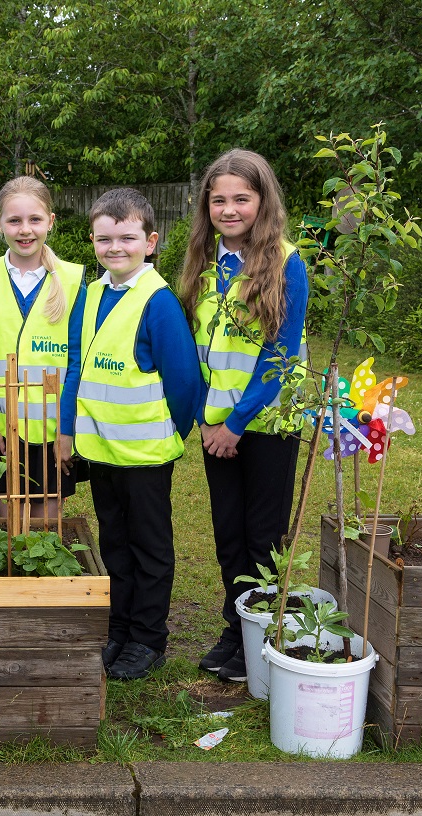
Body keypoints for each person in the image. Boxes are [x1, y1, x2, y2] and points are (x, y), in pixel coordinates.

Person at [179, 148, 309, 683]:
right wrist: (209, 421)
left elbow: (279, 354)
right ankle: (235, 629)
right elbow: (200, 351)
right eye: (219, 200)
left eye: (241, 199)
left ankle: (264, 636)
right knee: (227, 535)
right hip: (218, 429)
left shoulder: (287, 262)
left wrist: (235, 423)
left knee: (262, 536)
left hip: (268, 425)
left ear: (262, 201)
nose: (229, 209)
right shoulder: (204, 266)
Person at [74, 189, 204, 680]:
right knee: (115, 546)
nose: (115, 248)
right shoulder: (91, 294)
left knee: (149, 549)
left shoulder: (159, 302)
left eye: (127, 238)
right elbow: (80, 368)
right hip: (101, 451)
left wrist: (172, 429)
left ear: (150, 242)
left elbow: (185, 383)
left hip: (146, 454)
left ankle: (148, 639)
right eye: (105, 238)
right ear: (93, 240)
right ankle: (119, 629)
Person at [0, 176, 86, 520]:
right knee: (8, 534)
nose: (25, 230)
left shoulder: (74, 280)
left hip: (52, 433)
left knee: (46, 533)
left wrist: (66, 429)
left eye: (35, 219)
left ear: (51, 221)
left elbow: (78, 362)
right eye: (14, 220)